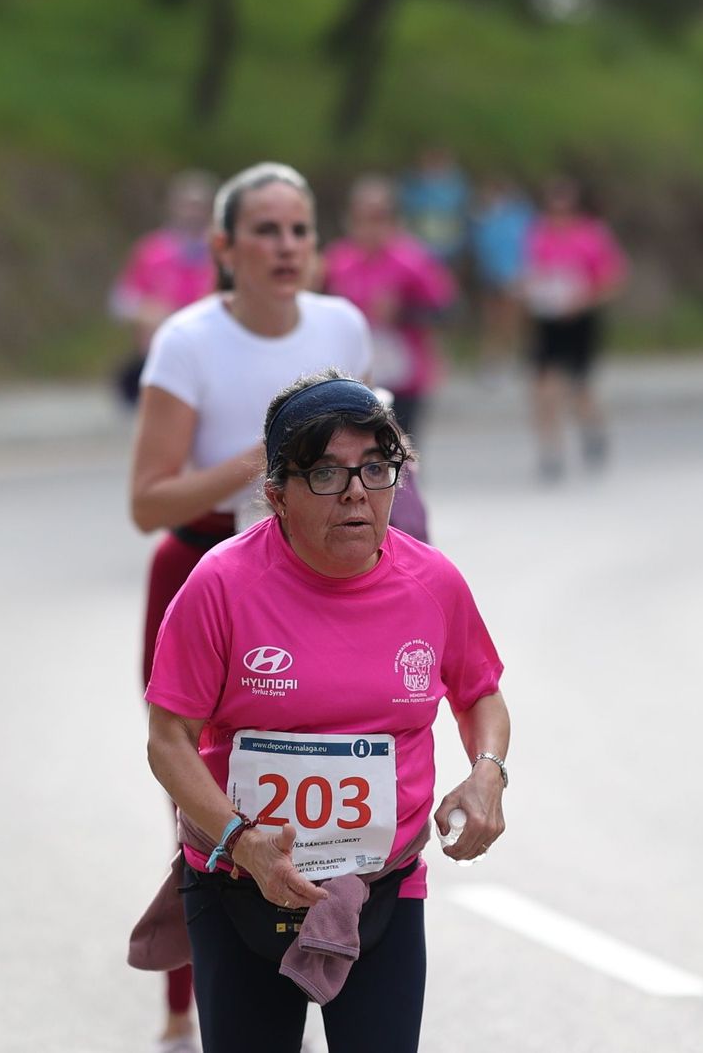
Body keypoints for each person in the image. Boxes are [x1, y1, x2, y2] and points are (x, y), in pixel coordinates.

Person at [131, 371, 511, 1053]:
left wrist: (487, 773)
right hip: (238, 886)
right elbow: (169, 741)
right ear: (276, 495)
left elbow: (480, 692)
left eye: (376, 468)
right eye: (327, 475)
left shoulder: (433, 582)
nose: (358, 492)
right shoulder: (221, 585)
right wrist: (243, 841)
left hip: (380, 889)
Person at [128, 163, 372, 1053]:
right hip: (203, 572)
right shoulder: (187, 342)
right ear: (224, 248)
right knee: (201, 792)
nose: (285, 247)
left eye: (300, 230)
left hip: (314, 582)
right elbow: (147, 502)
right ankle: (186, 1004)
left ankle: (313, 971)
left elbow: (366, 467)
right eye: (264, 231)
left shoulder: (344, 324)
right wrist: (267, 459)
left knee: (327, 782)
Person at [322, 174, 456, 446]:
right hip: (352, 375)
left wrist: (404, 313)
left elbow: (447, 310)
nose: (370, 227)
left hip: (403, 376)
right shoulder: (337, 260)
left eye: (378, 218)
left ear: (392, 220)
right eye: (362, 218)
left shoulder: (412, 259)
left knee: (401, 456)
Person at [522, 174, 628, 481]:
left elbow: (613, 279)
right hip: (547, 318)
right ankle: (550, 449)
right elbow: (529, 272)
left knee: (579, 387)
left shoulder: (592, 235)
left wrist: (583, 300)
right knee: (543, 386)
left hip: (580, 318)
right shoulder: (538, 235)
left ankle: (593, 427)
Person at [109, 170, 219, 408]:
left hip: (208, 348)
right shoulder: (151, 251)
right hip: (159, 347)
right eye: (187, 205)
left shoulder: (221, 252)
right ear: (173, 207)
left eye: (199, 206)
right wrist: (149, 312)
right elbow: (121, 301)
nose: (193, 212)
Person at [470, 174, 537, 383]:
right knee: (491, 319)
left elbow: (528, 244)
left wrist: (523, 272)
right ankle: (492, 359)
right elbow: (481, 247)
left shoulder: (521, 215)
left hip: (514, 273)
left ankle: (513, 356)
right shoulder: (484, 216)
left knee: (512, 320)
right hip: (491, 274)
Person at [398, 147, 471, 270]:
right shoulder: (411, 184)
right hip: (418, 250)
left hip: (451, 250)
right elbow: (405, 214)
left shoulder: (458, 185)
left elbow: (464, 217)